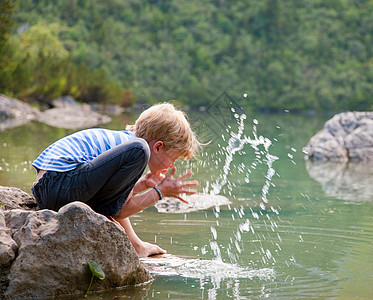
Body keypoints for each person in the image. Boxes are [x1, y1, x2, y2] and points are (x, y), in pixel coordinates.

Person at [31, 103, 200, 257]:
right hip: (59, 183)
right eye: (174, 159)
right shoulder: (137, 149)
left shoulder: (120, 145)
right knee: (140, 149)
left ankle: (138, 247)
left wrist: (141, 186)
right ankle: (138, 247)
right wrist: (160, 192)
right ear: (158, 147)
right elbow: (120, 210)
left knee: (112, 210)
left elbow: (110, 200)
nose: (171, 165)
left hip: (50, 189)